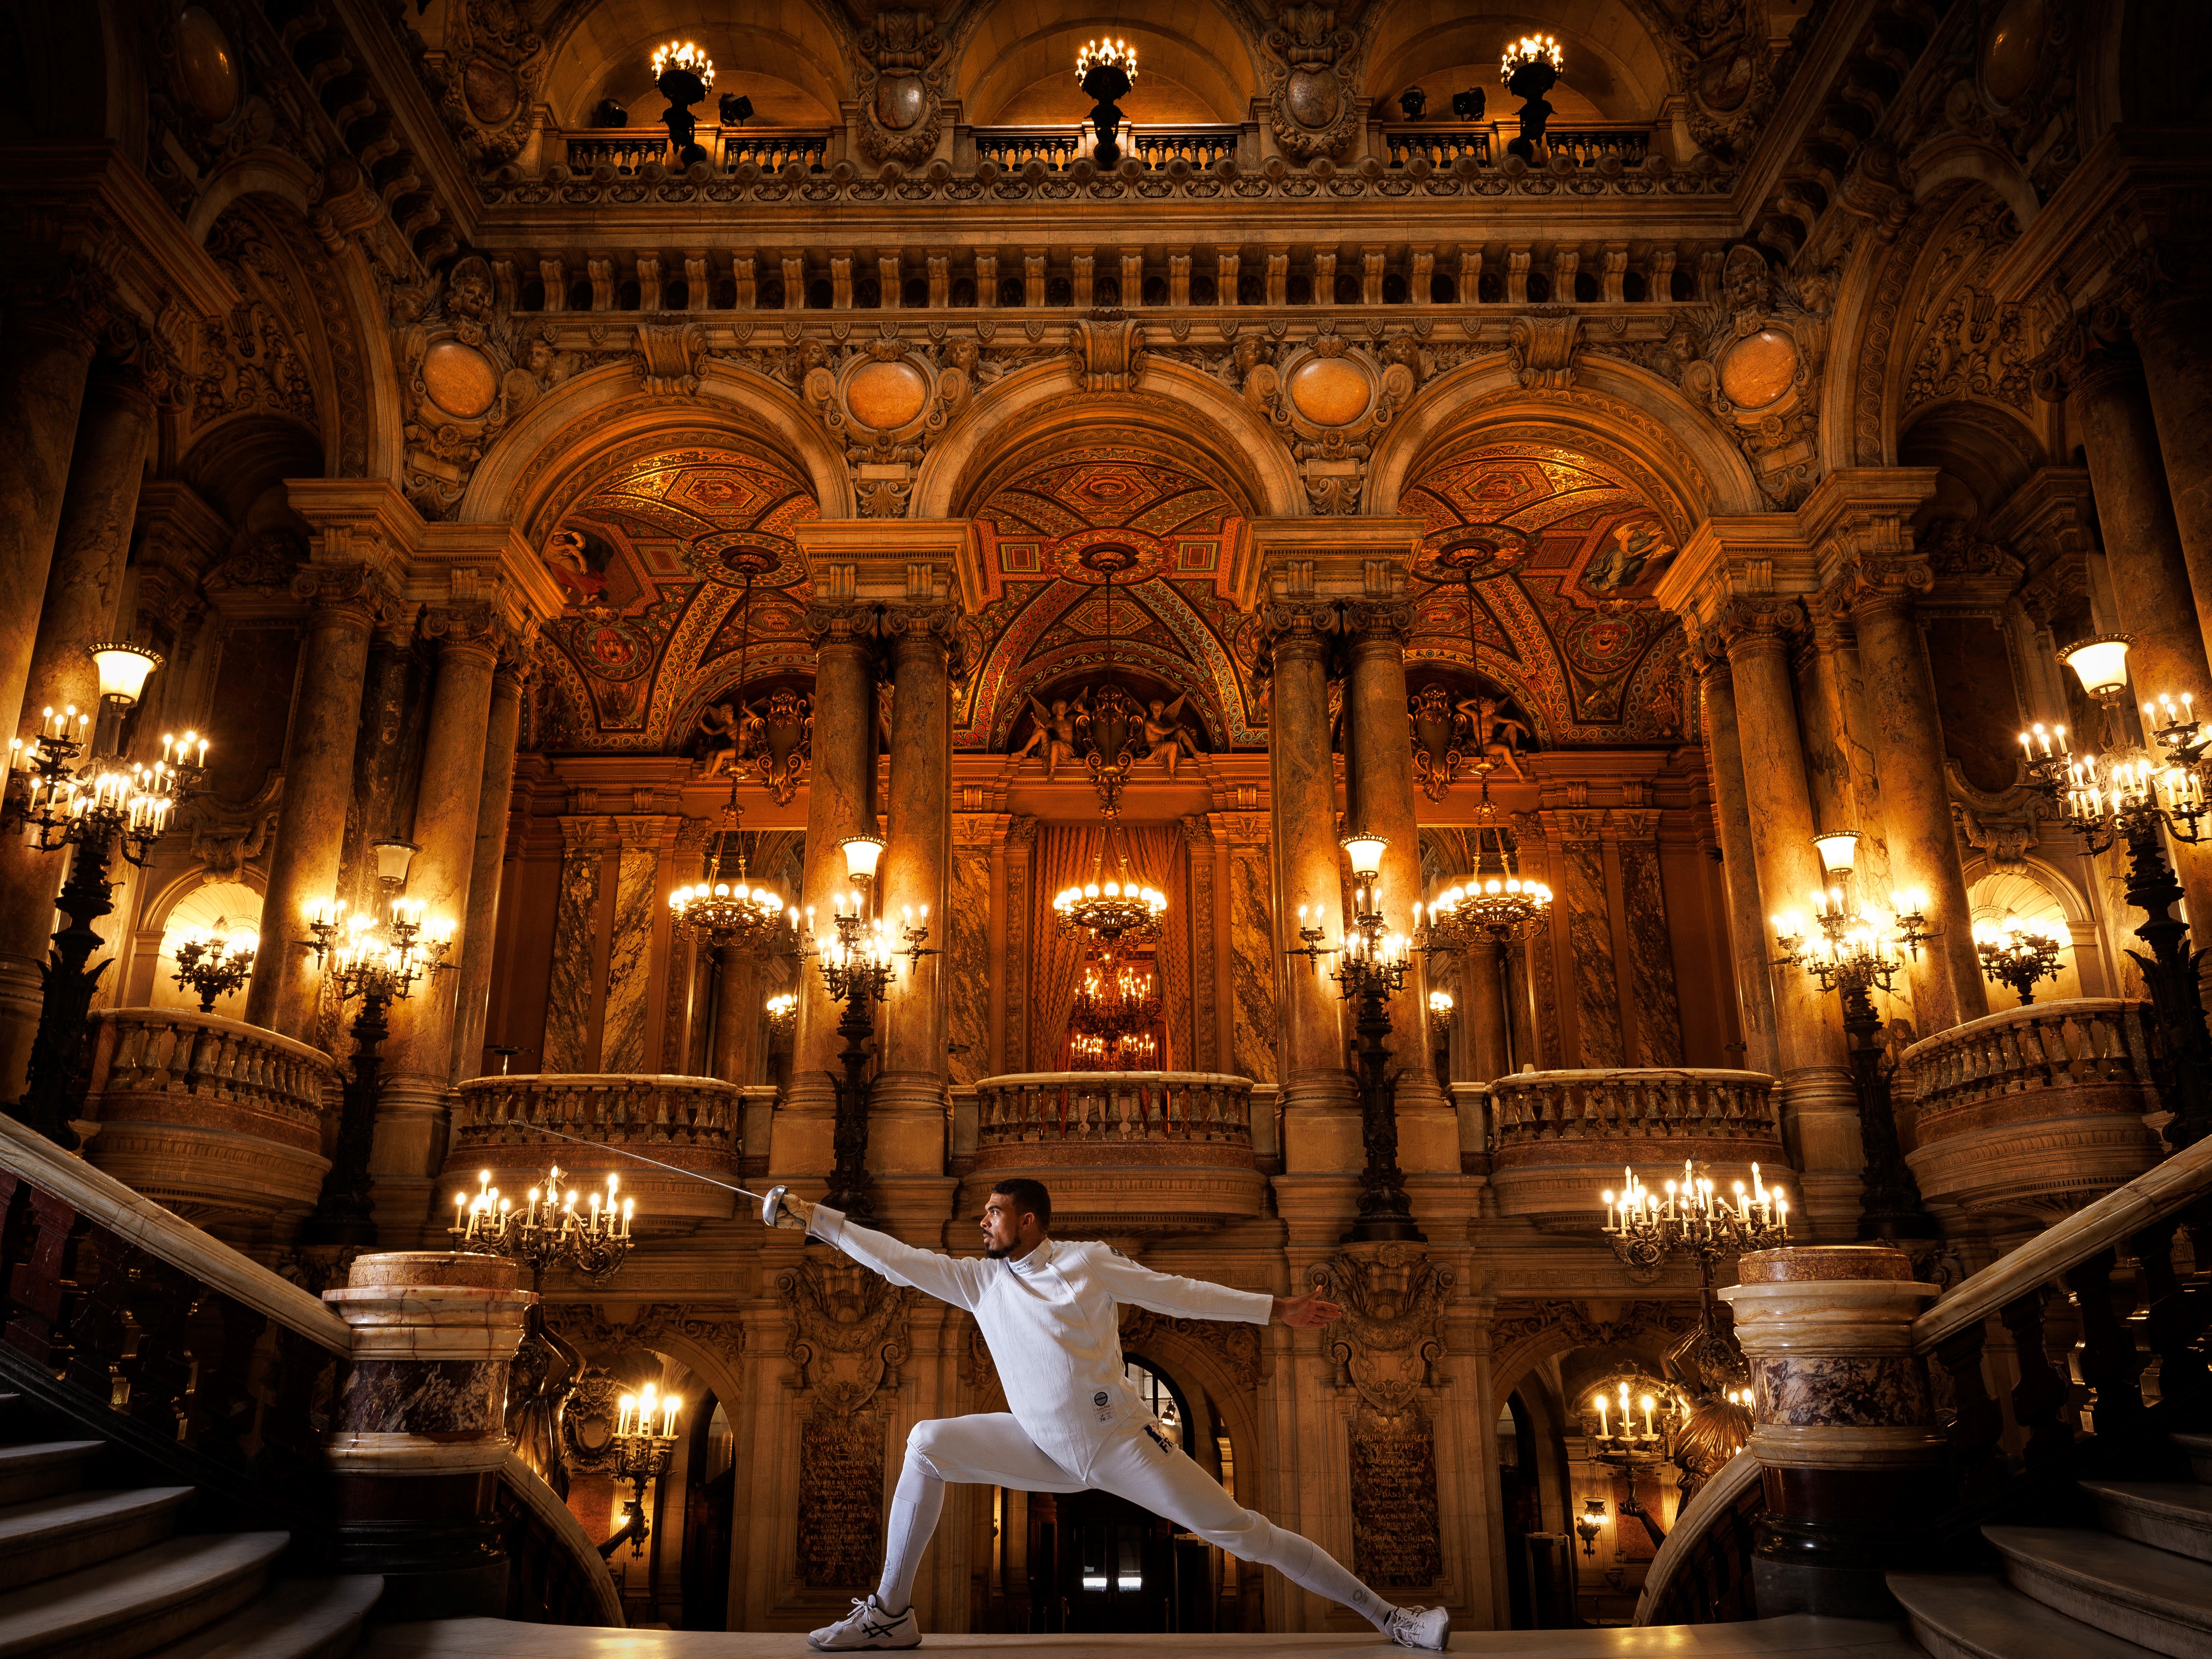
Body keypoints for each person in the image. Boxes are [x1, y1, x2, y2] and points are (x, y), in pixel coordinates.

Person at [767, 1179, 1450, 1652]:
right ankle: (890, 1615)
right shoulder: (978, 1282)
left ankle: (1393, 1619)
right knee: (926, 1442)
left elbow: (1177, 1294)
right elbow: (895, 1260)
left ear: (1029, 1220)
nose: (983, 1223)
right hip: (1041, 1448)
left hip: (1123, 1443)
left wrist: (1277, 1309)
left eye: (994, 1213)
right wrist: (812, 1217)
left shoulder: (1087, 1263)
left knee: (1246, 1534)